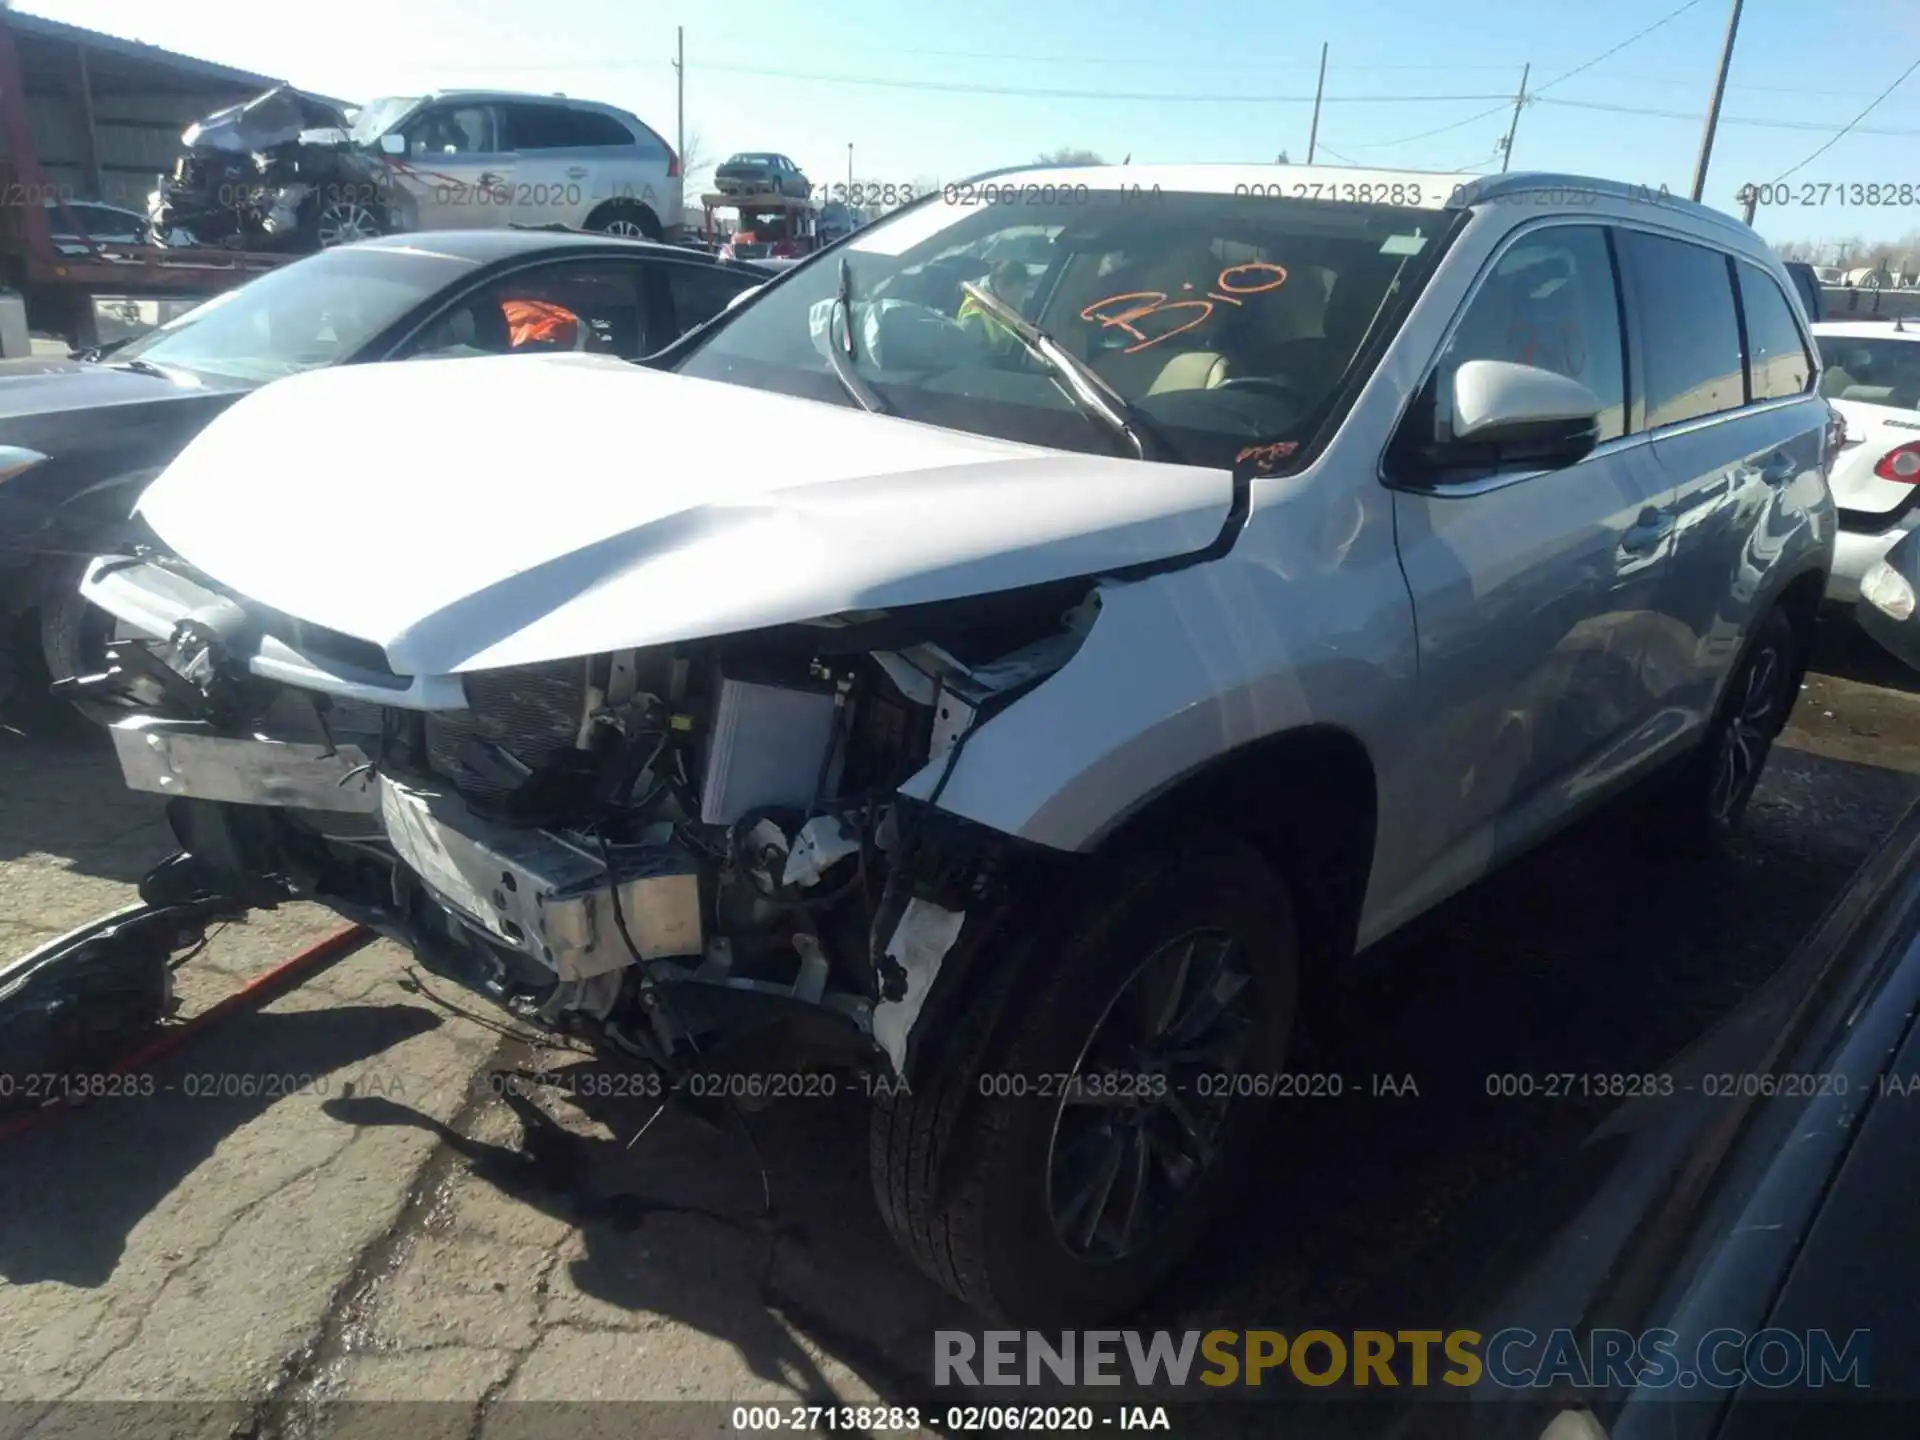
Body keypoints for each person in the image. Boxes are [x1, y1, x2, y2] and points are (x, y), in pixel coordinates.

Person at [957, 260, 1032, 358]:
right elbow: (971, 360)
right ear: (1001, 285)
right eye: (1017, 295)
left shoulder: (1004, 302)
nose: (1020, 299)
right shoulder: (974, 318)